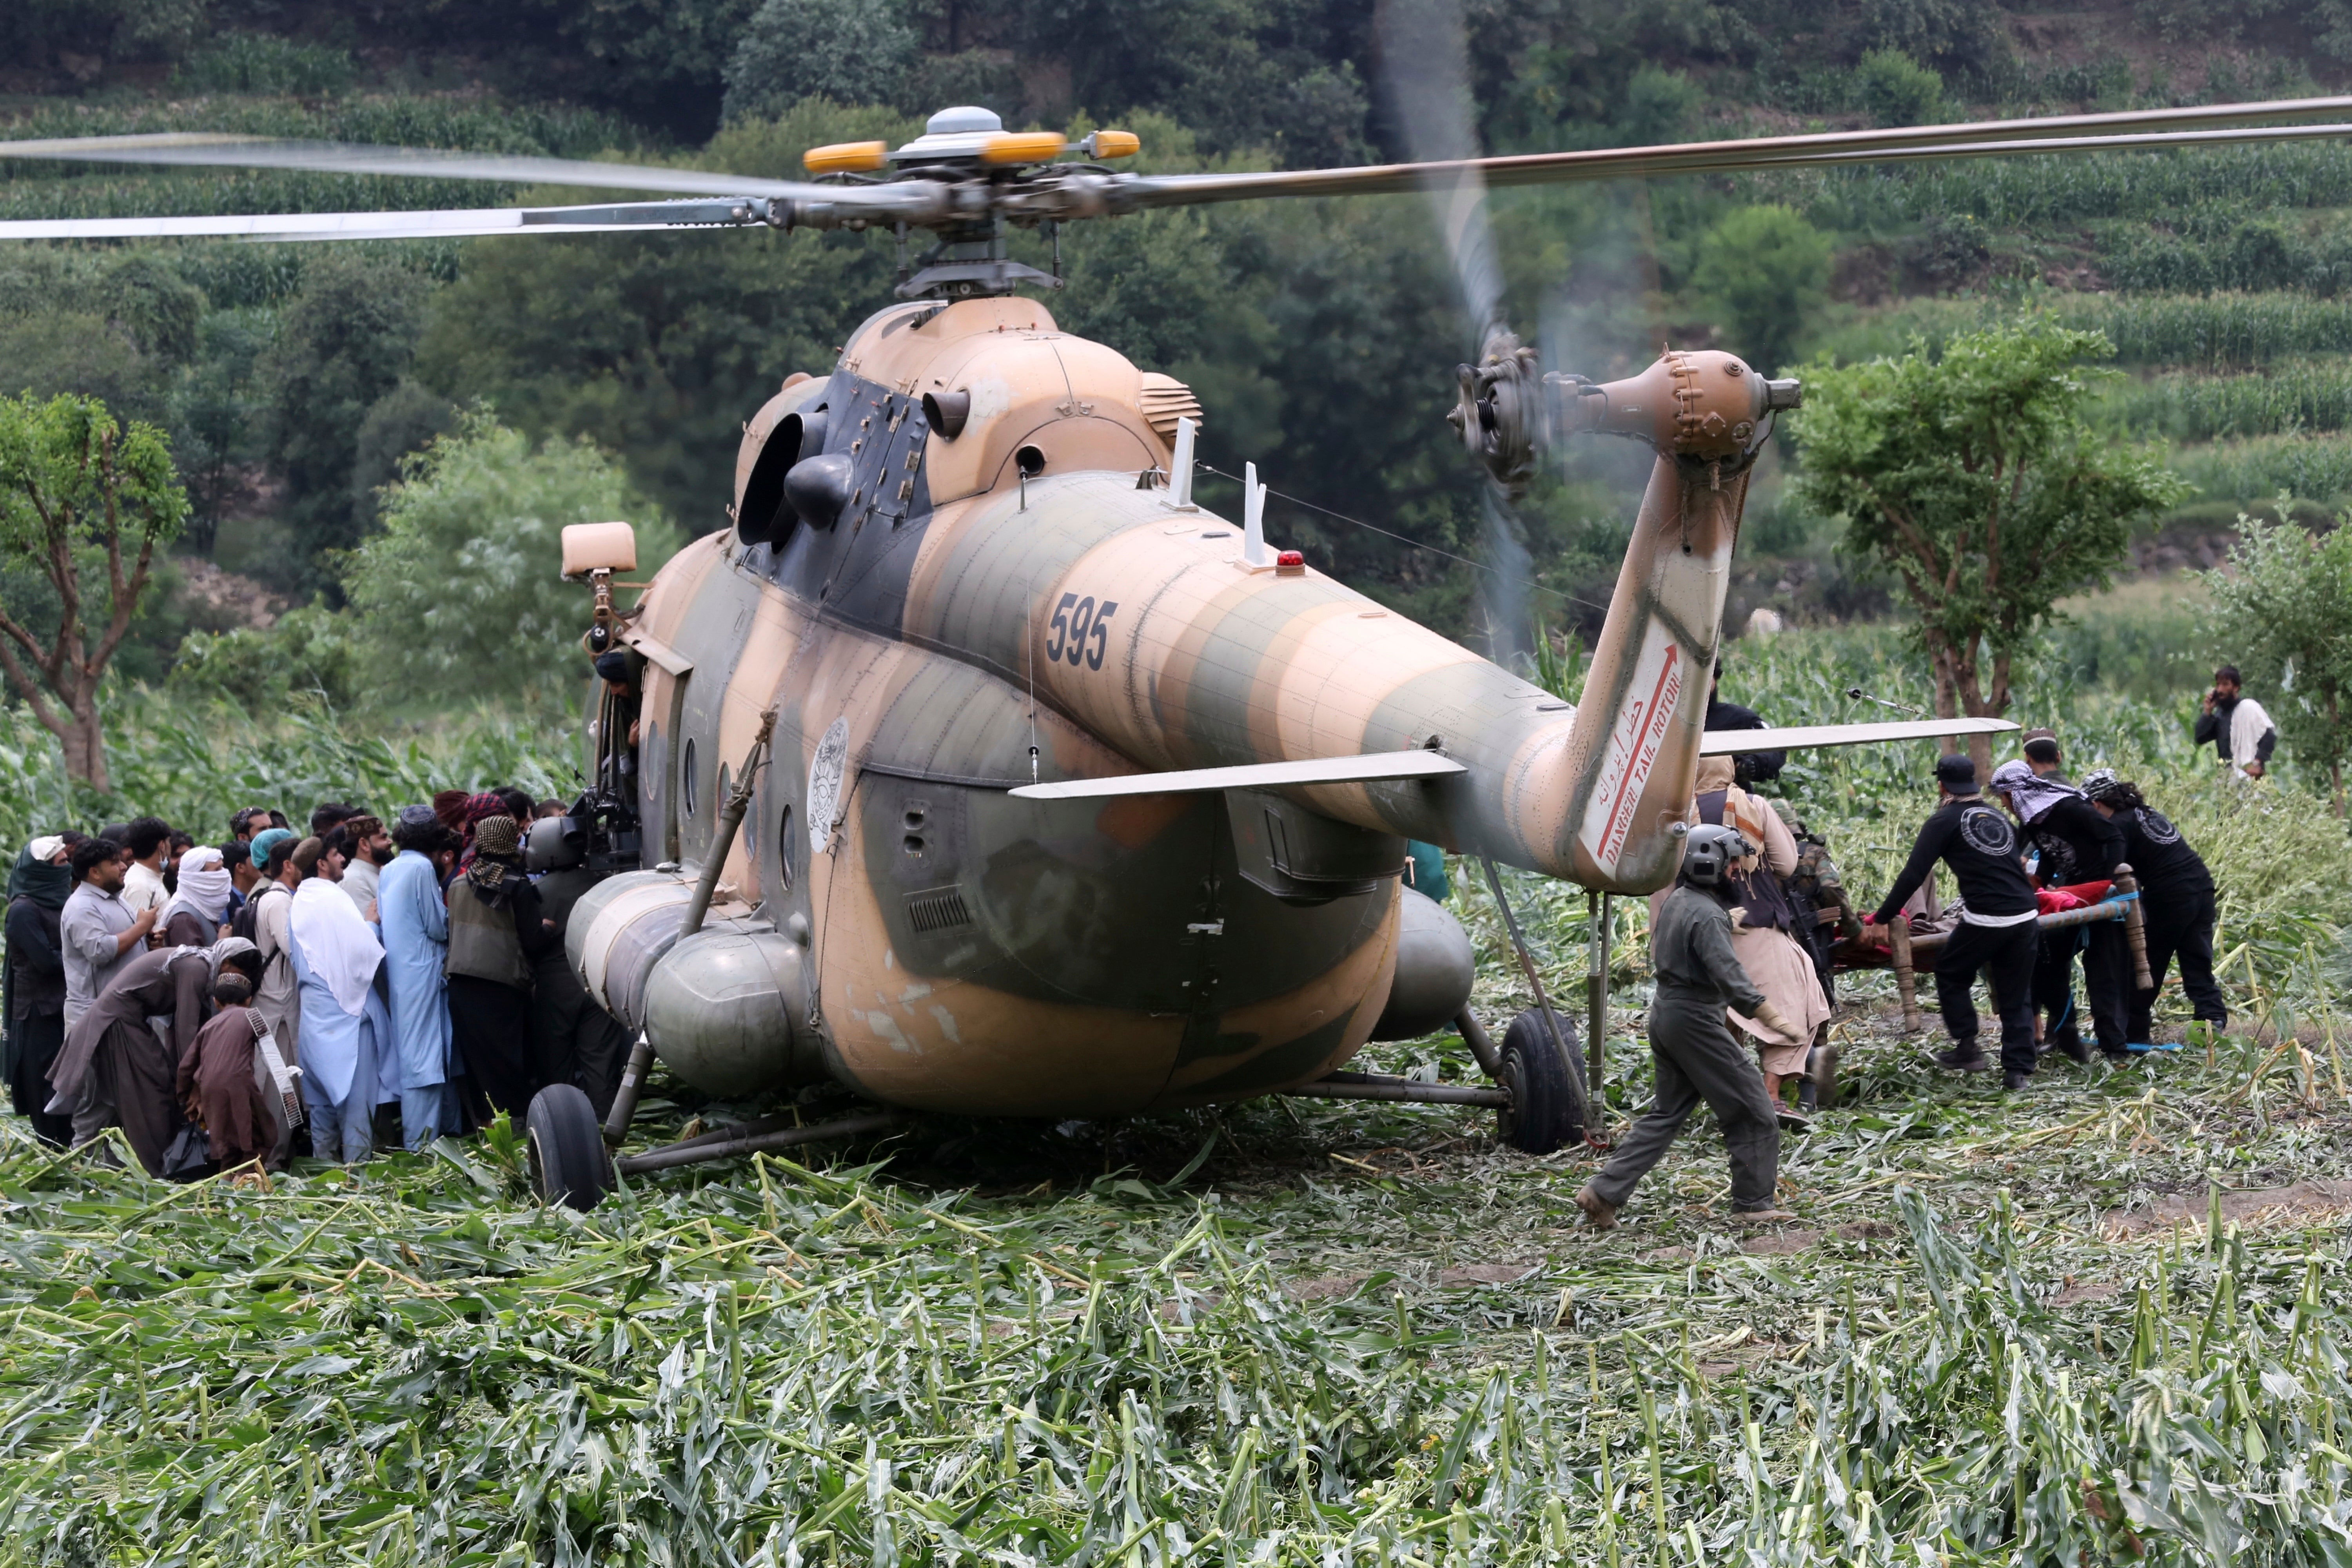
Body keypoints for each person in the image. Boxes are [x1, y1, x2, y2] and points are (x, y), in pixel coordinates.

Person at [1575, 824, 1803, 1229]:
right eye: (1732, 863)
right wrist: (1770, 1015)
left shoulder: (1681, 901)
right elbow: (1729, 975)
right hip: (1695, 1021)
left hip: (1666, 1015)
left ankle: (1602, 1193)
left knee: (1667, 1113)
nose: (1737, 871)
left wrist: (1722, 922)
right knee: (1753, 1109)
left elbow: (1693, 936)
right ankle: (1754, 1205)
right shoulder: (1706, 914)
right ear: (1709, 863)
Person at [1865, 755, 2042, 1089]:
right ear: (1973, 784)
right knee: (2015, 991)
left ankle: (1968, 1047)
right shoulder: (1996, 816)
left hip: (1989, 917)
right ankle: (2018, 1072)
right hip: (2026, 915)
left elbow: (1914, 874)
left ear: (1942, 786)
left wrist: (1883, 917)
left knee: (1950, 971)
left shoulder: (1943, 821)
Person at [1683, 756, 1831, 1123]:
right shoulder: (1756, 806)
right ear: (1728, 770)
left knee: (1721, 1019)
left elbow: (1660, 883)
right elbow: (1787, 864)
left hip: (1701, 929)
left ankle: (1733, 1100)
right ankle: (1770, 1094)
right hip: (1758, 926)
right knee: (1787, 1008)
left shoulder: (1678, 815)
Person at [51, 936, 259, 1174]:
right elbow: (186, 1030)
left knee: (154, 1085)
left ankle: (112, 1165)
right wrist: (194, 1084)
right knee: (151, 1094)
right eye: (234, 973)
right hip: (117, 1025)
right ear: (226, 961)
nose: (232, 981)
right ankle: (156, 1170)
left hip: (130, 1024)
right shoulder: (195, 967)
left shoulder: (201, 965)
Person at [1989, 757, 2128, 1064]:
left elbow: (2113, 837)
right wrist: (2037, 883)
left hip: (2100, 893)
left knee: (2101, 971)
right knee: (2048, 957)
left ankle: (2115, 1048)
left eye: (2003, 797)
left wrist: (2109, 880)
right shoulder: (2033, 819)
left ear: (2015, 793)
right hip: (2072, 890)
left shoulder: (2068, 808)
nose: (2004, 804)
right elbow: (2052, 854)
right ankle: (2065, 1033)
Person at [2081, 770, 2229, 1050]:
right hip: (2201, 885)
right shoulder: (2144, 812)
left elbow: (2109, 870)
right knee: (2196, 957)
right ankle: (2211, 1023)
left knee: (2146, 960)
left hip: (2171, 894)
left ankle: (2135, 1031)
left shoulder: (2118, 826)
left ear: (2097, 804)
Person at [446, 814, 557, 1122]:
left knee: (481, 1064)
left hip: (459, 985)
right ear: (510, 842)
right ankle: (521, 1126)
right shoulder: (516, 886)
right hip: (501, 986)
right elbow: (533, 942)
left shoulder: (457, 884)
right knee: (513, 1062)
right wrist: (548, 927)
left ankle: (488, 1127)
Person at [527, 811, 635, 1118]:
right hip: (595, 980)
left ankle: (562, 1125)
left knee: (554, 1062)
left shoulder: (536, 893)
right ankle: (605, 1123)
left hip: (553, 986)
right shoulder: (600, 883)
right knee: (600, 1060)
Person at [288, 844, 391, 1163]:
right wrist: (371, 923)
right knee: (357, 1114)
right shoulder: (332, 897)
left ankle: (323, 1188)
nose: (342, 859)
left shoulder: (300, 902)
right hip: (347, 1022)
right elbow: (359, 953)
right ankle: (358, 1185)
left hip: (314, 1023)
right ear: (321, 864)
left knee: (322, 1119)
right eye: (335, 855)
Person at [381, 806, 460, 1147]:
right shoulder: (422, 868)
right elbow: (436, 925)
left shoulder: (390, 869)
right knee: (427, 1060)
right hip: (423, 970)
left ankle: (430, 1139)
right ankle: (423, 1145)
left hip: (401, 972)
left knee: (415, 1055)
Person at [4, 837, 74, 1147]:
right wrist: (82, 955)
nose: (67, 869)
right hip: (36, 1012)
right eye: (61, 864)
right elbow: (45, 962)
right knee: (43, 1086)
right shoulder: (23, 910)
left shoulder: (60, 903)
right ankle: (53, 1150)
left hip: (61, 1007)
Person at [178, 971, 281, 1176]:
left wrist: (185, 1099)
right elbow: (273, 1057)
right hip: (239, 1086)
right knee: (262, 1137)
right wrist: (287, 1090)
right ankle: (245, 1182)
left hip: (210, 1089)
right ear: (249, 1000)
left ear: (216, 1002)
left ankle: (226, 1187)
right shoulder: (253, 1015)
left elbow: (186, 1067)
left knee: (227, 1146)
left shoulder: (209, 1025)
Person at [245, 828, 302, 1161]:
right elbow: (292, 948)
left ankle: (278, 1153)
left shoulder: (269, 895)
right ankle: (272, 1158)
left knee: (283, 1084)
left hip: (277, 1005)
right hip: (275, 1007)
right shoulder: (278, 900)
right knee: (279, 1085)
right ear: (287, 865)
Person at [62, 837, 154, 1033]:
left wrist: (147, 940)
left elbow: (124, 938)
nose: (124, 867)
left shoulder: (115, 899)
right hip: (96, 1016)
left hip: (124, 1010)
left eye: (121, 861)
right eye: (114, 863)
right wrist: (141, 928)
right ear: (95, 872)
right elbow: (101, 951)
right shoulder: (82, 907)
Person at [1705, 657, 1786, 788]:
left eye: (1705, 676)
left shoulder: (1737, 718)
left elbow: (1777, 748)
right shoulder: (1663, 722)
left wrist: (1753, 764)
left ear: (1715, 678)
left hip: (1728, 801)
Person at [2195, 666, 2277, 779]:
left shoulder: (2249, 707)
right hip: (2228, 777)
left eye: (2225, 684)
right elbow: (2200, 738)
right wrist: (2207, 712)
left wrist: (2257, 763)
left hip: (2250, 775)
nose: (2220, 690)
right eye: (2218, 685)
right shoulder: (2220, 715)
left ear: (2236, 687)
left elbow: (2269, 736)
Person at [158, 845, 234, 948]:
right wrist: (222, 943)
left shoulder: (203, 908)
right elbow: (188, 963)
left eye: (222, 867)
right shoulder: (184, 919)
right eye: (217, 870)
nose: (224, 874)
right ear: (197, 878)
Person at [120, 817, 173, 933]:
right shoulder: (141, 886)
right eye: (169, 841)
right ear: (162, 846)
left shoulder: (151, 878)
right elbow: (135, 935)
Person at [339, 815, 392, 922]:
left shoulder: (376, 872)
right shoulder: (354, 879)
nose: (390, 842)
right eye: (383, 838)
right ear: (364, 844)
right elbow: (367, 931)